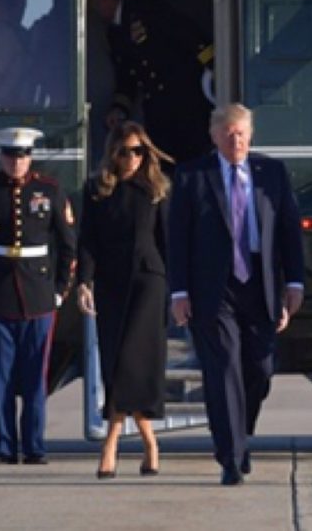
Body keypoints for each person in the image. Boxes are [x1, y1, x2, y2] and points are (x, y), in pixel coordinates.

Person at [169, 103, 305, 485]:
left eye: (242, 134)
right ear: (214, 137)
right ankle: (231, 457)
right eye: (229, 135)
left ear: (251, 135)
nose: (236, 141)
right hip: (214, 289)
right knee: (224, 365)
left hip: (260, 284)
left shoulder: (272, 174)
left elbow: (289, 231)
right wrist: (179, 291)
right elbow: (177, 238)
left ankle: (239, 432)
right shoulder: (192, 176)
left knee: (260, 367)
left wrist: (294, 283)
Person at [0, 127, 77, 465]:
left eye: (22, 156)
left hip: (39, 295)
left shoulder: (49, 190)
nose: (16, 162)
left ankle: (34, 446)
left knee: (36, 377)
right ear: (0, 156)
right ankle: (4, 446)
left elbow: (68, 246)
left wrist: (60, 290)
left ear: (30, 157)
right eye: (10, 155)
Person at [75, 121, 172, 479]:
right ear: (113, 152)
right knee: (114, 360)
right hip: (111, 282)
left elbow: (167, 242)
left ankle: (111, 443)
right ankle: (149, 442)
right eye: (125, 151)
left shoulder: (157, 189)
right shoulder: (97, 189)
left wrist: (179, 292)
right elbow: (88, 240)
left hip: (148, 280)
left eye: (138, 151)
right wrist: (84, 282)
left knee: (134, 360)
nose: (132, 158)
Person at [88, 0, 214, 166]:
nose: (95, 10)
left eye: (94, 3)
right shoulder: (114, 33)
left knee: (192, 159)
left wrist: (213, 64)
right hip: (157, 108)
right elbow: (127, 76)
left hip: (185, 99)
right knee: (163, 161)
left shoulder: (146, 10)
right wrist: (119, 108)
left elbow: (187, 33)